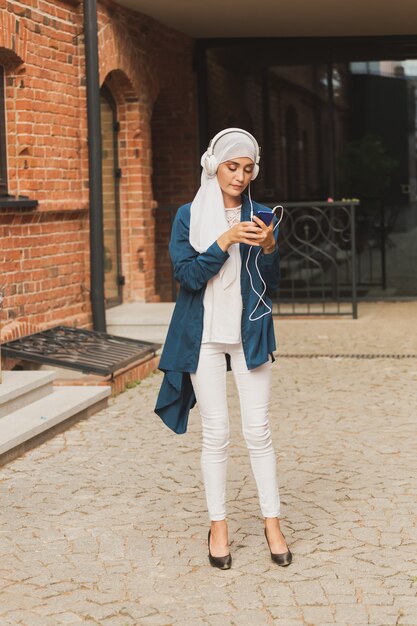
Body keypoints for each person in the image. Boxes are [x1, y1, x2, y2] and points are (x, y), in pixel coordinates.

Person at [155, 128, 292, 570]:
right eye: (232, 166)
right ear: (214, 165)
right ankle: (218, 525)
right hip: (204, 338)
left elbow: (270, 283)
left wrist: (269, 246)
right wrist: (225, 240)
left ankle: (272, 522)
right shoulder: (186, 216)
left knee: (259, 431)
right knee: (216, 434)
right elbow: (189, 277)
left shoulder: (264, 214)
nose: (240, 176)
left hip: (249, 334)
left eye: (248, 168)